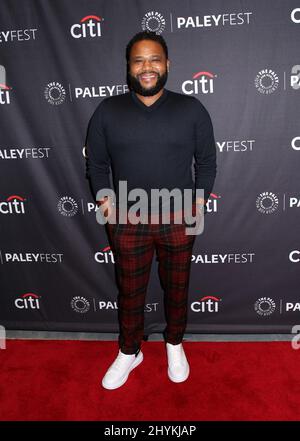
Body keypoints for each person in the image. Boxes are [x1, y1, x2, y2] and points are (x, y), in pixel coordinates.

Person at [86, 31, 217, 390]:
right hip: (128, 218)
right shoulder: (107, 110)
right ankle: (131, 350)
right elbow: (96, 166)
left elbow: (206, 163)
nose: (147, 67)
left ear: (167, 64)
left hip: (179, 217)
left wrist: (198, 201)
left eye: (154, 59)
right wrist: (106, 202)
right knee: (130, 291)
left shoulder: (191, 109)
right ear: (128, 67)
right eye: (139, 60)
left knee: (178, 288)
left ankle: (174, 343)